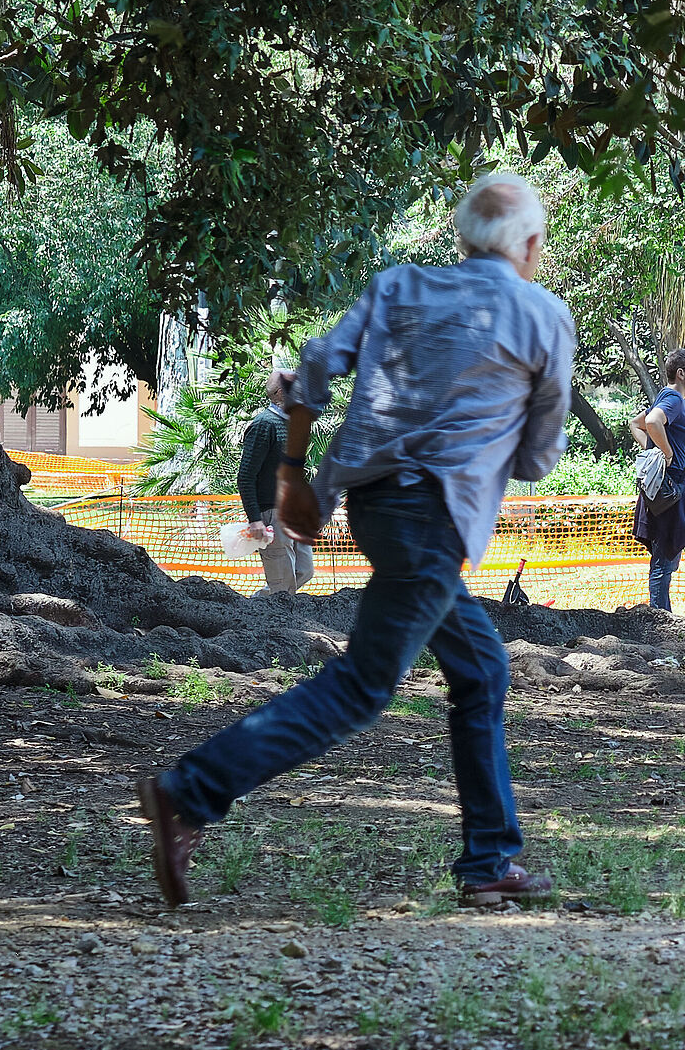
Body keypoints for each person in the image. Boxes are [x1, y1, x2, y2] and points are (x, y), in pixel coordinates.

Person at [137, 171, 575, 909]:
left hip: (372, 505)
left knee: (481, 670)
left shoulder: (401, 286)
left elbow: (312, 364)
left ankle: (489, 860)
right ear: (530, 245)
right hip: (435, 518)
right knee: (362, 687)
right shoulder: (542, 314)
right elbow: (536, 457)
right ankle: (192, 791)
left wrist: (292, 472)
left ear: (463, 239)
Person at [632, 348, 685, 610]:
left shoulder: (672, 399)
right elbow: (651, 422)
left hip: (672, 491)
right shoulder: (673, 399)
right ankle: (660, 620)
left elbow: (636, 424)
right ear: (681, 373)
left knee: (666, 560)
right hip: (671, 491)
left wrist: (653, 451)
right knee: (663, 562)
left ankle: (662, 616)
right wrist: (667, 454)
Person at [236, 368, 316, 594]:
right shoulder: (264, 425)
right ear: (281, 392)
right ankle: (262, 616)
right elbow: (245, 475)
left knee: (304, 571)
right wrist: (255, 519)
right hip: (272, 513)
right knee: (283, 586)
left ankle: (258, 606)